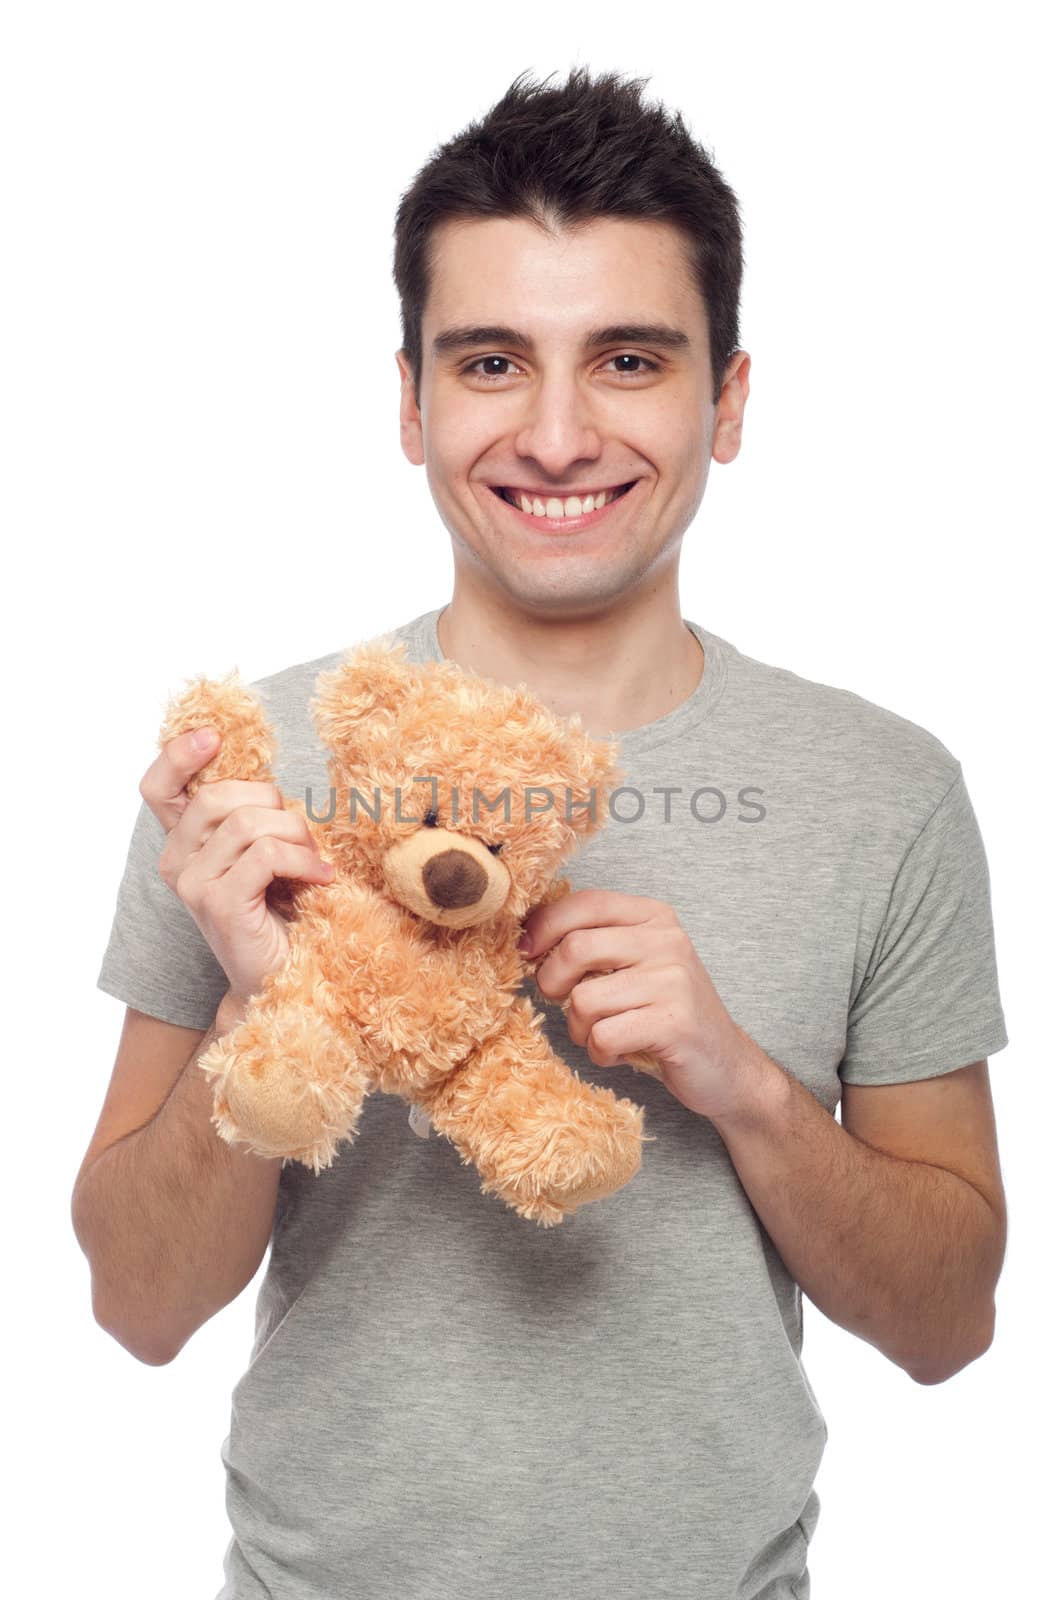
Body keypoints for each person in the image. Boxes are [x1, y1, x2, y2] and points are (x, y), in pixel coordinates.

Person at [72, 65, 1009, 1600]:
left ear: (730, 399)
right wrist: (258, 1003)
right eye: (493, 361)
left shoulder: (884, 788)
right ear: (411, 402)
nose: (558, 434)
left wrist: (752, 1093)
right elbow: (135, 1304)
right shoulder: (252, 776)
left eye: (629, 358)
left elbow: (949, 1324)